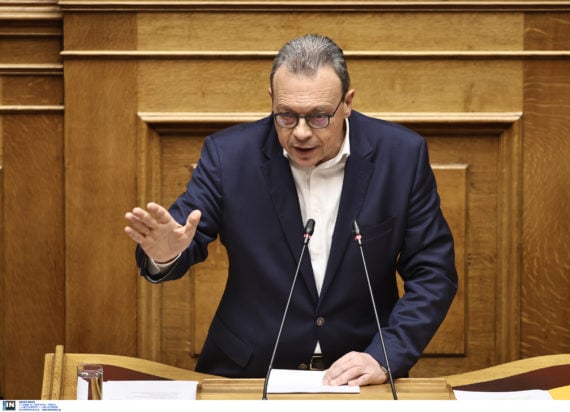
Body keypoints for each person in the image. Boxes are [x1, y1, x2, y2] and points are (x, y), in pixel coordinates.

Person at [124, 34, 458, 387]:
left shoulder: (400, 156)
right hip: (249, 373)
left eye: (318, 117)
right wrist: (165, 254)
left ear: (347, 103)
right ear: (271, 99)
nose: (300, 133)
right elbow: (184, 232)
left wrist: (386, 354)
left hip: (360, 376)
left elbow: (433, 273)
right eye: (286, 116)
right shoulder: (228, 157)